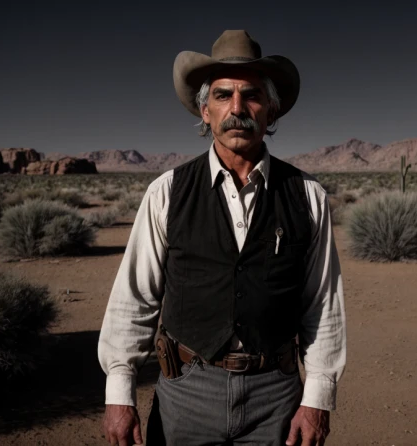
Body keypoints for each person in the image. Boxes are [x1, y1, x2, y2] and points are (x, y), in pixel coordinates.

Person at [98, 30, 346, 446]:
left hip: (277, 394)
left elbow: (323, 306)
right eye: (222, 95)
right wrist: (119, 394)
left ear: (271, 110)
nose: (237, 108)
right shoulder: (167, 191)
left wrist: (317, 398)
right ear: (205, 111)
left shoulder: (307, 196)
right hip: (186, 391)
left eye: (251, 95)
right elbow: (134, 299)